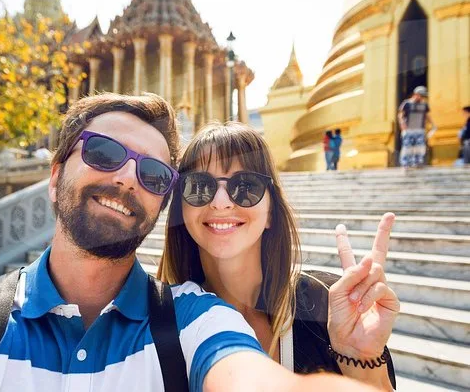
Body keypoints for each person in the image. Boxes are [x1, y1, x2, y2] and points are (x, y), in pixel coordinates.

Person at [0, 93, 375, 392]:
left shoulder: (194, 318)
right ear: (54, 176)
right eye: (104, 153)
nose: (127, 179)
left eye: (154, 174)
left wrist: (358, 357)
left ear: (161, 201)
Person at [158, 122, 398, 390]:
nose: (220, 202)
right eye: (199, 186)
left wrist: (361, 361)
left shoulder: (328, 304)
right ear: (182, 211)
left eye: (245, 186)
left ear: (271, 212)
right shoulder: (162, 323)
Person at [398, 86, 435, 168]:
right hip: (409, 129)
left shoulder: (424, 104)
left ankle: (418, 163)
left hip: (420, 129)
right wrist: (402, 125)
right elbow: (400, 115)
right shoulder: (406, 103)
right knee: (407, 147)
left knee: (420, 147)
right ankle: (406, 164)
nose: (423, 98)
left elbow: (427, 115)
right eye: (421, 96)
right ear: (416, 94)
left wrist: (433, 124)